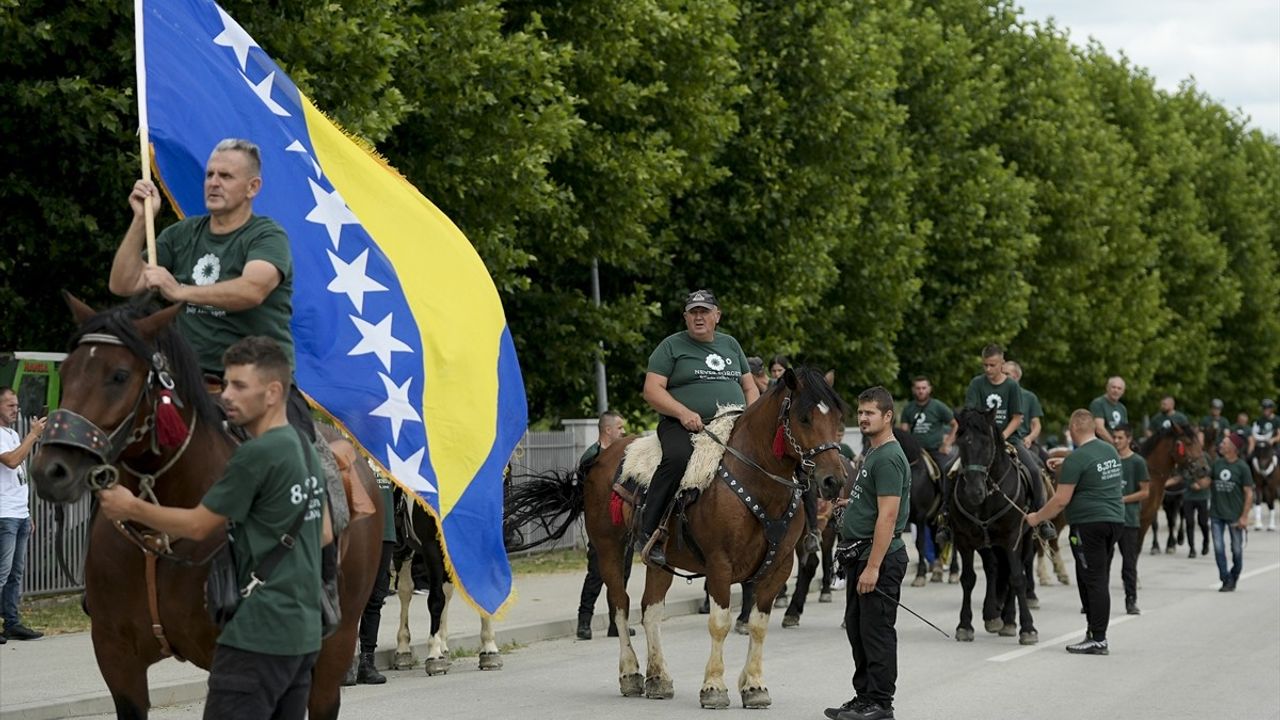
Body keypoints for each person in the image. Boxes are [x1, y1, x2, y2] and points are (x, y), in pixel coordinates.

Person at [97, 337, 332, 720]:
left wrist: (131, 506)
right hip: (301, 638)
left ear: (273, 392)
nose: (226, 396)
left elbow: (198, 524)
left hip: (255, 638)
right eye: (225, 384)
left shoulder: (255, 454)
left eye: (240, 386)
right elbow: (323, 534)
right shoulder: (305, 449)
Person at [107, 138, 312, 442]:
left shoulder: (267, 236)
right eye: (210, 175)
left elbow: (252, 290)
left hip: (259, 385)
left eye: (226, 176)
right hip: (187, 384)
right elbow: (122, 284)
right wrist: (141, 219)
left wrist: (180, 291)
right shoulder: (181, 234)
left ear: (252, 187)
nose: (214, 183)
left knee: (292, 462)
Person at [638, 290, 759, 567]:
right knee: (677, 458)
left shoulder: (730, 345)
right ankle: (650, 530)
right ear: (685, 317)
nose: (699, 317)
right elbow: (652, 390)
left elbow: (749, 387)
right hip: (684, 425)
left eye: (705, 311)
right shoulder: (671, 346)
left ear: (717, 316)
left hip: (733, 423)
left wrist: (751, 419)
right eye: (693, 312)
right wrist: (682, 412)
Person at [824, 387, 909, 720]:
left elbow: (888, 516)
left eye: (870, 413)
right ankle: (864, 698)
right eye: (860, 412)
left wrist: (873, 567)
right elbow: (875, 502)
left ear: (887, 416)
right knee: (858, 631)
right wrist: (853, 504)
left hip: (880, 558)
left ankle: (880, 703)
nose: (863, 418)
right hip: (860, 555)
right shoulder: (873, 453)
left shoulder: (888, 456)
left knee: (876, 633)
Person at [1029, 409, 1123, 655]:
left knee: (1093, 580)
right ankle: (1094, 632)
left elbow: (1060, 500)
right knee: (1094, 577)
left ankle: (1098, 638)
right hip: (1114, 522)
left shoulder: (1076, 460)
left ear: (1072, 430)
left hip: (1088, 525)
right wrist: (1067, 459)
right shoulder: (1109, 450)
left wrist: (1036, 518)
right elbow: (1089, 460)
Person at [945, 344, 1054, 542]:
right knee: (949, 470)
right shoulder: (976, 384)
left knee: (1034, 471)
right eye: (985, 365)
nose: (988, 369)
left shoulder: (1012, 386)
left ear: (1002, 363)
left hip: (1009, 439)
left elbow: (1017, 418)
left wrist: (1000, 437)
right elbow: (970, 415)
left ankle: (1042, 520)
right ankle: (945, 519)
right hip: (979, 442)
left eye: (992, 365)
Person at [577, 411, 634, 639]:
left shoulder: (626, 455)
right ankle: (584, 621)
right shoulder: (592, 456)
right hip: (601, 525)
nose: (623, 431)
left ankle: (616, 622)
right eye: (619, 427)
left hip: (622, 523)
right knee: (596, 572)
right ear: (607, 430)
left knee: (623, 572)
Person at [0, 388, 46, 643]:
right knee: (2, 572)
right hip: (3, 514)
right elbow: (12, 460)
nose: (15, 409)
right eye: (9, 405)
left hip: (18, 513)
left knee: (16, 574)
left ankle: (12, 622)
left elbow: (19, 477)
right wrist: (32, 436)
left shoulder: (12, 433)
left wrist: (27, 513)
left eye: (16, 404)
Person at [346, 446, 393, 685]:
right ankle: (346, 661)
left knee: (375, 598)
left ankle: (367, 660)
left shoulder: (389, 453)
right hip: (356, 533)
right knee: (350, 598)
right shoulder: (350, 452)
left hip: (385, 533)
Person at [1209, 433, 1253, 591]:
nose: (1221, 444)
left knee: (1236, 549)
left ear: (1233, 448)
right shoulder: (1217, 464)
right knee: (1218, 548)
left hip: (1235, 515)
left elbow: (1249, 492)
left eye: (1225, 443)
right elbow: (1207, 481)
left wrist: (1244, 516)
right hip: (1216, 514)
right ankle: (1225, 578)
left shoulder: (1242, 467)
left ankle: (1234, 575)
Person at [1112, 424, 1148, 615]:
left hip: (1129, 519)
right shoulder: (1109, 460)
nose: (1116, 441)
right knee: (1102, 562)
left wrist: (1123, 499)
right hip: (1108, 519)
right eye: (1114, 437)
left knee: (1129, 564)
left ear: (1129, 439)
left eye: (1120, 438)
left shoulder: (1137, 462)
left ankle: (1131, 599)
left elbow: (1145, 491)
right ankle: (1093, 602)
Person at [897, 375, 956, 473]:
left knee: (945, 470)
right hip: (915, 452)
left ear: (929, 389)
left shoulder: (938, 406)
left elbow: (955, 425)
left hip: (935, 451)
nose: (921, 391)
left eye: (924, 388)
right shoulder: (908, 408)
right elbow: (904, 431)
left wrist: (947, 443)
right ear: (913, 390)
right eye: (918, 388)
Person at [1003, 361, 1044, 454]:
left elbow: (1036, 424)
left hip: (1024, 442)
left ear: (1016, 376)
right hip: (1001, 440)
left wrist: (1030, 438)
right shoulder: (996, 396)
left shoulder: (1030, 397)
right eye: (1001, 373)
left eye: (1006, 374)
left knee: (1047, 463)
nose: (1003, 376)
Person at [1183, 443, 1211, 559]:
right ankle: (1191, 548)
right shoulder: (1185, 459)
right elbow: (1182, 475)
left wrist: (1203, 484)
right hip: (1188, 496)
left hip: (1202, 495)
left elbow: (1211, 473)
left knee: (1203, 522)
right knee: (1189, 522)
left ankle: (1206, 541)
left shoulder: (1205, 457)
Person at [1088, 376, 1128, 444]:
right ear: (1107, 388)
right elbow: (1099, 429)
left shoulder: (1122, 408)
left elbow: (1126, 431)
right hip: (1101, 446)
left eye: (1119, 388)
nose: (1116, 390)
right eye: (1113, 387)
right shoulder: (1098, 403)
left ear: (1123, 392)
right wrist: (1115, 444)